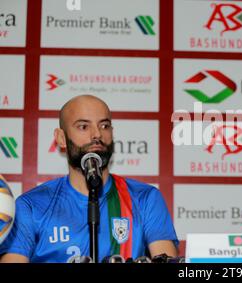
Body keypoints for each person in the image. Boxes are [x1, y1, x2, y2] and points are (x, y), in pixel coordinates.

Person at [0, 95, 178, 263]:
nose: (97, 135)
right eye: (83, 126)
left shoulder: (145, 198)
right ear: (61, 138)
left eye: (104, 126)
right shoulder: (31, 205)